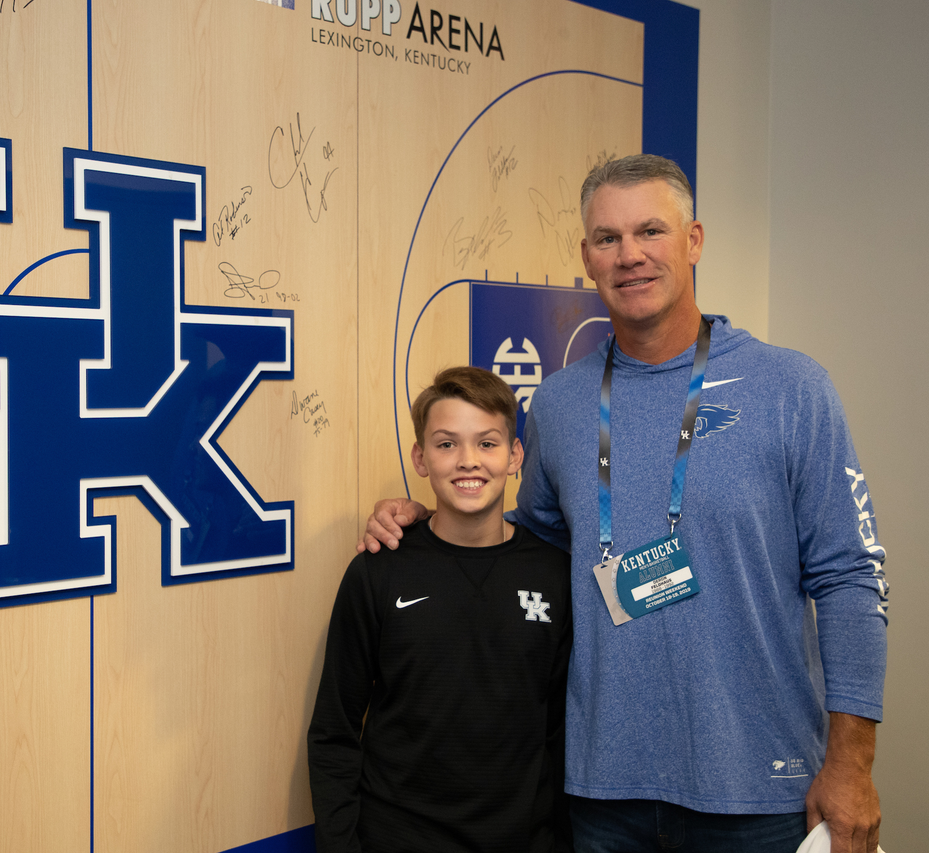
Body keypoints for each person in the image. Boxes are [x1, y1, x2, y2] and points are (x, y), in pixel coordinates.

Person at [360, 155, 888, 853]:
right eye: (608, 238)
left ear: (693, 240)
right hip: (602, 795)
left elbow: (850, 577)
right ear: (587, 257)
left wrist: (852, 763)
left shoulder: (791, 388)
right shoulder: (560, 402)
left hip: (760, 790)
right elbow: (535, 542)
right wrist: (436, 524)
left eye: (651, 231)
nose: (630, 254)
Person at [309, 366, 573, 853]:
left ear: (516, 456)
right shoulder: (378, 571)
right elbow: (333, 732)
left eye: (488, 443)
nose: (468, 461)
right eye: (447, 444)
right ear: (421, 457)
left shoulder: (555, 574)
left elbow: (559, 731)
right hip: (399, 839)